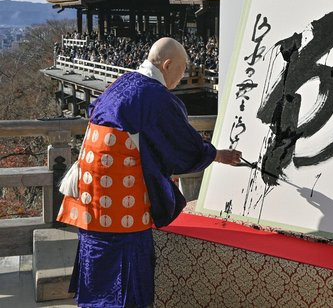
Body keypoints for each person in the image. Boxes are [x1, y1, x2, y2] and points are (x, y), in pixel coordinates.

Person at [57, 37, 241, 308]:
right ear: (167, 65)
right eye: (182, 68)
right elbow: (183, 147)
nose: (183, 75)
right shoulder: (154, 96)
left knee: (98, 271)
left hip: (91, 196)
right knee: (125, 282)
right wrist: (216, 154)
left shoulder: (123, 83)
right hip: (121, 206)